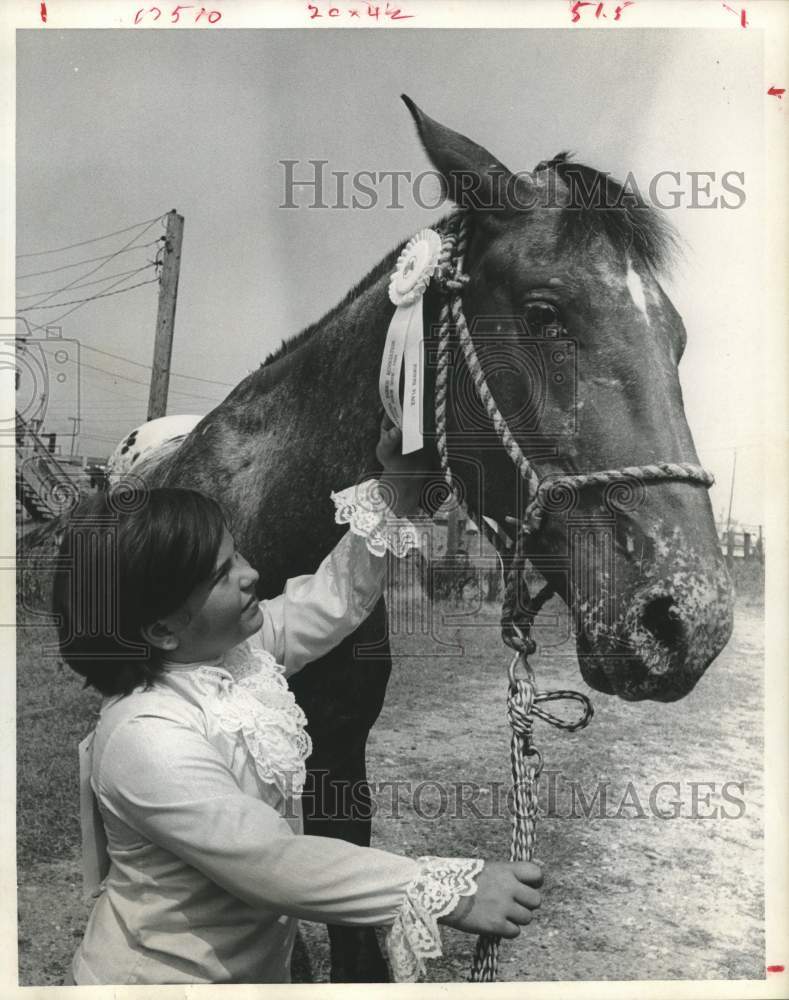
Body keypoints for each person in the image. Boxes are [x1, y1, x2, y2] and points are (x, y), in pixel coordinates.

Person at [54, 418, 543, 985]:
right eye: (222, 573)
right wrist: (446, 891)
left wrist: (398, 485)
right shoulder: (148, 737)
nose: (251, 575)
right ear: (163, 628)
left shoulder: (234, 658)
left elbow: (327, 601)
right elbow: (272, 862)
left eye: (236, 555)